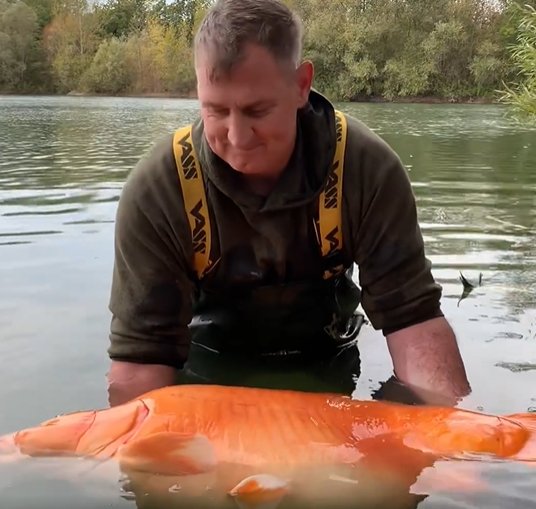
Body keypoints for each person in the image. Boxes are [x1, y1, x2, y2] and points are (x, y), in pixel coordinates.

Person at [105, 0, 471, 409]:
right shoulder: (158, 188)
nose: (237, 137)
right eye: (216, 110)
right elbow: (141, 360)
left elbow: (414, 320)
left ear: (301, 85)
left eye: (257, 110)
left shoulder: (367, 168)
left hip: (329, 365)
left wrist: (452, 442)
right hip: (207, 373)